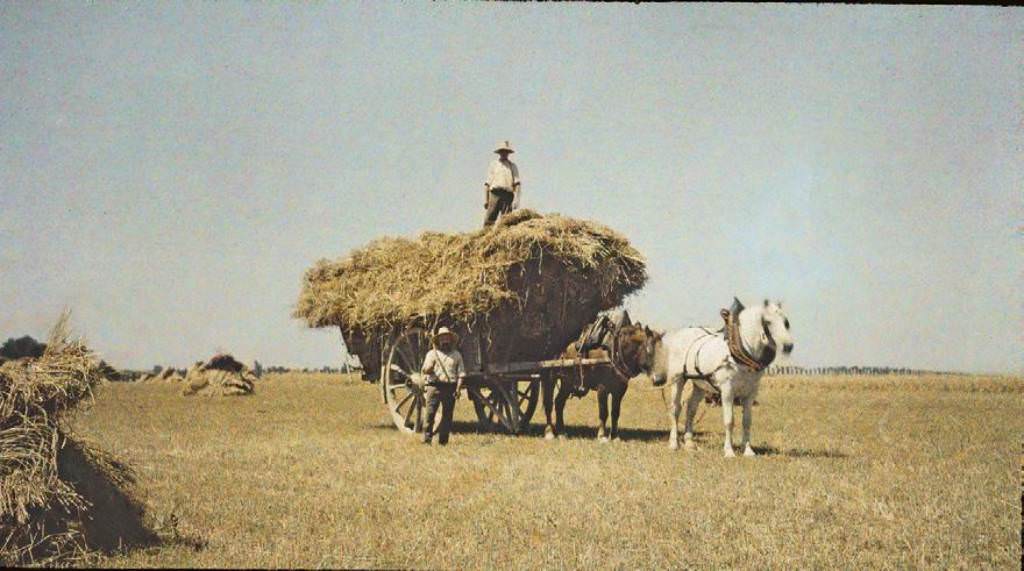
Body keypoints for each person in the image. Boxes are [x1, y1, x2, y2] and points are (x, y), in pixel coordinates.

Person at [420, 326, 466, 445]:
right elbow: (425, 369)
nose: (445, 340)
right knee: (430, 414)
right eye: (442, 338)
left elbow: (461, 374)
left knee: (447, 416)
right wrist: (429, 368)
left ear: (450, 339)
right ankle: (426, 440)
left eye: (447, 338)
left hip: (450, 388)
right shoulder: (432, 354)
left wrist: (458, 389)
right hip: (434, 387)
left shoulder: (456, 355)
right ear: (438, 340)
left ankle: (443, 442)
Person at [482, 141, 521, 227]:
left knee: (506, 220)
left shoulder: (512, 166)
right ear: (499, 152)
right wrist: (486, 199)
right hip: (495, 194)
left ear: (508, 153)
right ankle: (486, 233)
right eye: (502, 151)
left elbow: (517, 184)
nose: (504, 153)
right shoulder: (494, 164)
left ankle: (504, 233)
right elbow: (487, 184)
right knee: (490, 218)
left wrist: (517, 200)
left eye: (506, 152)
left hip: (507, 195)